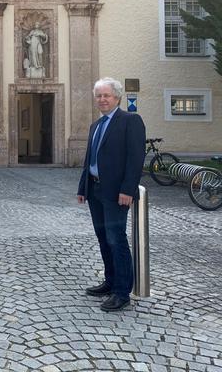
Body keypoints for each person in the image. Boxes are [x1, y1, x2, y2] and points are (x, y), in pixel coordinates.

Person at [77, 77, 145, 312]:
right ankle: (110, 281)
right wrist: (82, 188)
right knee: (103, 238)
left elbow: (136, 159)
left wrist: (128, 189)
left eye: (106, 95)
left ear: (117, 97)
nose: (102, 99)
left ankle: (122, 292)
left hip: (117, 192)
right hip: (95, 190)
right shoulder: (96, 125)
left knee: (117, 239)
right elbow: (90, 159)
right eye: (99, 95)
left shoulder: (130, 120)